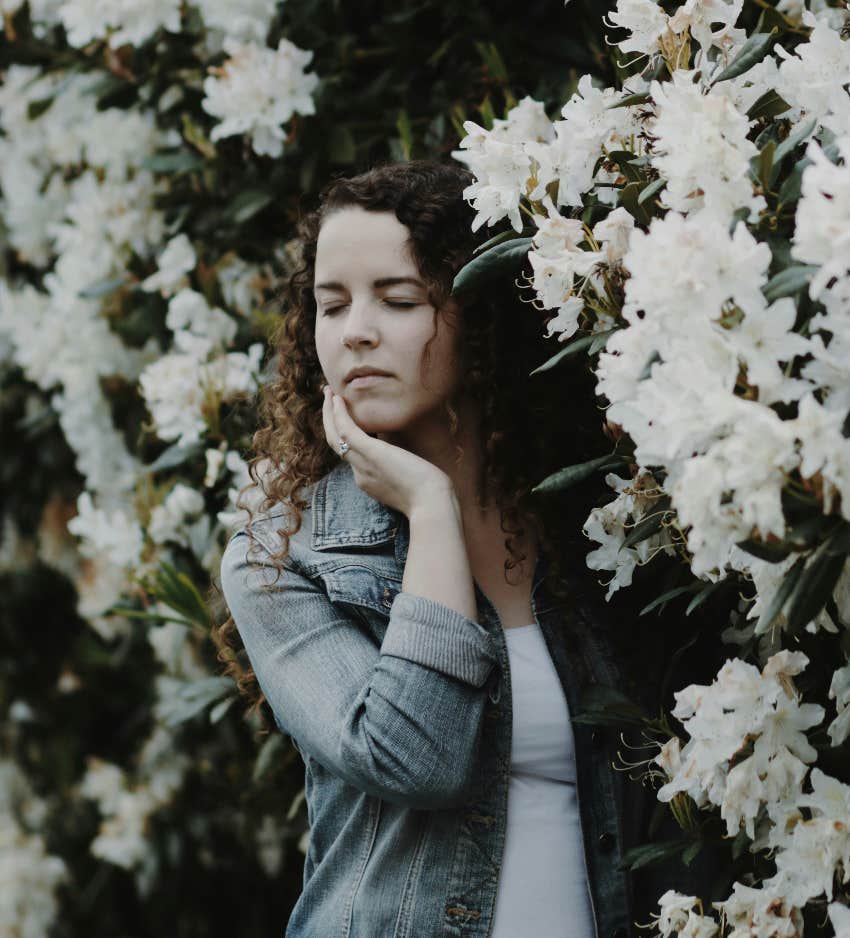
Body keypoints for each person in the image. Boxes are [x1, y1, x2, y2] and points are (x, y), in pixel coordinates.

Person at [216, 160, 728, 938]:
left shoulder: (600, 526)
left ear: (477, 316)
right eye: (331, 305)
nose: (356, 330)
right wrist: (428, 510)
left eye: (398, 300)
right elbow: (415, 758)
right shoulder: (281, 558)